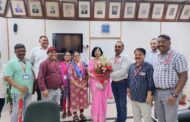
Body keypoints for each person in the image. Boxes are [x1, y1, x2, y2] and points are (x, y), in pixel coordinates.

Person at [153, 34, 188, 122]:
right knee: (160, 119)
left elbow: (184, 77)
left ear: (169, 43)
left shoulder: (178, 56)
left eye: (163, 42)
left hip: (170, 92)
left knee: (171, 120)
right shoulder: (156, 56)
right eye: (159, 42)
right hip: (157, 93)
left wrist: (174, 95)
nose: (160, 44)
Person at [4, 44, 35, 122]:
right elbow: (7, 77)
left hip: (29, 91)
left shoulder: (28, 61)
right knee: (17, 111)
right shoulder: (11, 62)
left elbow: (31, 73)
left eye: (23, 51)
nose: (21, 52)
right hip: (18, 92)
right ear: (15, 52)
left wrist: (34, 86)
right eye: (19, 51)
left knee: (27, 110)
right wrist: (19, 87)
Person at [127, 48, 155, 122]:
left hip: (144, 98)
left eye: (140, 55)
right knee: (136, 117)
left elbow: (151, 82)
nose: (137, 56)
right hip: (134, 97)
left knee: (147, 118)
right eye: (136, 55)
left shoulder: (149, 66)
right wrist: (128, 91)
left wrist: (149, 96)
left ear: (144, 55)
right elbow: (129, 79)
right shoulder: (131, 66)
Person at [88, 47, 113, 122]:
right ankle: (95, 117)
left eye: (98, 51)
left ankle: (102, 117)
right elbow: (89, 72)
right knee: (95, 100)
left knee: (103, 100)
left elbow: (108, 72)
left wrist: (104, 79)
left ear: (101, 52)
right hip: (94, 82)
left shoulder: (104, 61)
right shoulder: (91, 61)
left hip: (103, 82)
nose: (97, 52)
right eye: (95, 51)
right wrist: (96, 76)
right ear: (93, 53)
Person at [110, 41, 131, 122]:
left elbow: (123, 71)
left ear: (123, 48)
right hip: (114, 83)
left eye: (119, 46)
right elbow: (109, 68)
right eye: (116, 46)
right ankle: (118, 118)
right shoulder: (113, 58)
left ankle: (122, 120)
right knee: (117, 103)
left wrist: (111, 74)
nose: (117, 48)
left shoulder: (125, 57)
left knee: (122, 104)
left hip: (122, 83)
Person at [68, 51, 89, 122]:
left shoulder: (83, 64)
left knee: (81, 100)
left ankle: (82, 114)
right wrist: (77, 85)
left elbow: (87, 74)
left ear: (80, 56)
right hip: (74, 86)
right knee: (75, 101)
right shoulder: (71, 65)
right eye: (75, 56)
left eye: (78, 55)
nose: (76, 57)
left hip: (83, 86)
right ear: (73, 57)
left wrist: (85, 82)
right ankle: (75, 115)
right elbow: (70, 76)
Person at [30, 35, 49, 100]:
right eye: (44, 40)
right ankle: (40, 109)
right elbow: (30, 62)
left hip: (49, 77)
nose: (46, 41)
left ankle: (47, 109)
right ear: (39, 41)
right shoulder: (34, 50)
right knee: (40, 95)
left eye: (47, 40)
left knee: (48, 95)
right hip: (39, 77)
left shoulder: (50, 50)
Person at [60, 51, 72, 118]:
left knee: (70, 98)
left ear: (71, 57)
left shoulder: (73, 64)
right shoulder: (60, 64)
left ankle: (69, 110)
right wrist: (60, 84)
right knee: (64, 98)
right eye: (66, 55)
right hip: (63, 84)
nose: (67, 56)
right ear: (64, 57)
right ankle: (64, 111)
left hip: (71, 84)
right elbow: (59, 74)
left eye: (69, 55)